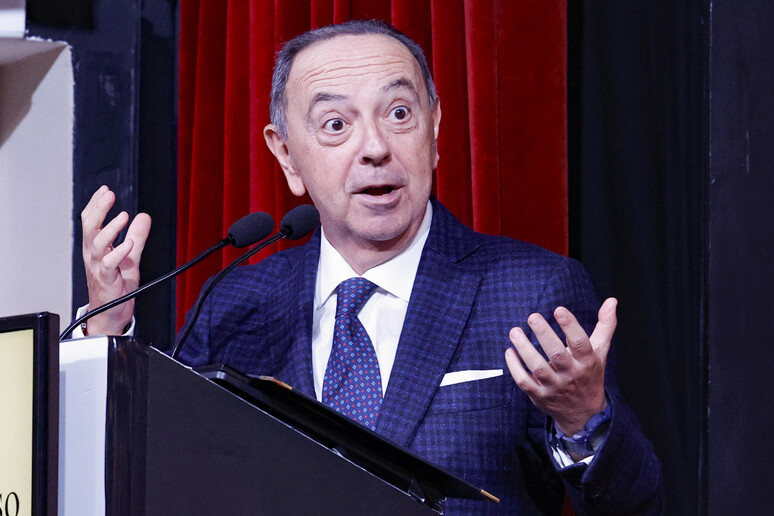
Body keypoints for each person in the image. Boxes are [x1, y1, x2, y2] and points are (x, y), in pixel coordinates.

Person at [79, 20, 663, 514]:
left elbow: (636, 505)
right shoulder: (235, 303)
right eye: (336, 124)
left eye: (399, 113)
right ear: (287, 156)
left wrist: (584, 420)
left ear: (434, 130)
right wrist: (108, 333)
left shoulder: (528, 290)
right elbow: (152, 474)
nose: (376, 147)